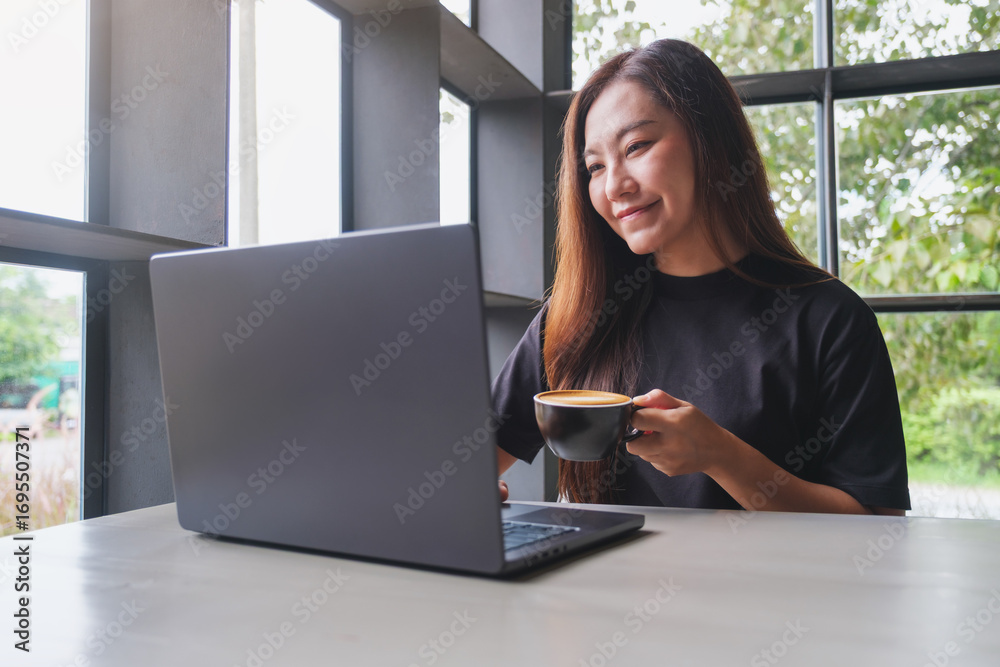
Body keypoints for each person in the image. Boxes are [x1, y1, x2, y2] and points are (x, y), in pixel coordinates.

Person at [492, 39, 910, 516]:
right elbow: (472, 457)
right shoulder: (579, 313)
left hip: (767, 592)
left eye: (637, 146)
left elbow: (878, 523)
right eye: (595, 167)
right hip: (596, 590)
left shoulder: (829, 319)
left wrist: (721, 455)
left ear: (711, 142)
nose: (615, 186)